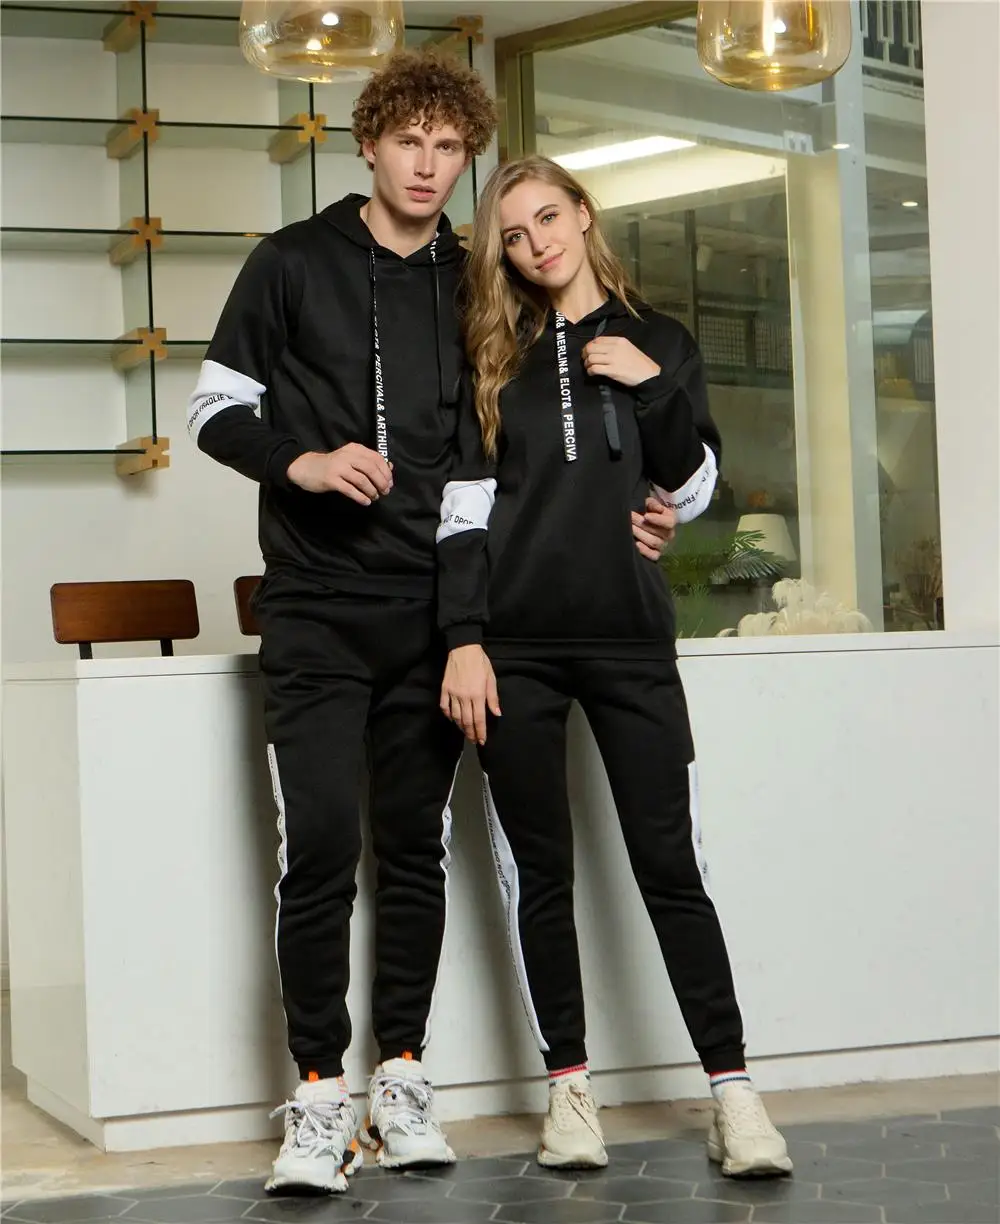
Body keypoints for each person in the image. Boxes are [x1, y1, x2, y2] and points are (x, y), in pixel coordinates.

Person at [189, 54, 676, 1195]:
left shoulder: (478, 285)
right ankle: (319, 1095)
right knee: (319, 847)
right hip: (314, 608)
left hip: (433, 617)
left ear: (465, 159)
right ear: (367, 144)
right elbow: (215, 406)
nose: (426, 164)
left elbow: (512, 455)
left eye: (448, 146)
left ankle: (400, 1078)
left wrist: (649, 504)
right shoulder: (288, 261)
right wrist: (303, 462)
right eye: (407, 140)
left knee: (414, 851)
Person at [437, 155, 793, 1179]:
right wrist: (463, 635)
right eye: (513, 235)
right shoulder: (491, 354)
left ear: (584, 215)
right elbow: (462, 510)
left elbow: (690, 483)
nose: (536, 243)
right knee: (539, 872)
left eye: (548, 218)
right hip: (515, 649)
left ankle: (734, 1096)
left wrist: (649, 383)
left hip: (632, 640)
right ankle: (569, 1092)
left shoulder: (661, 340)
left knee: (671, 867)